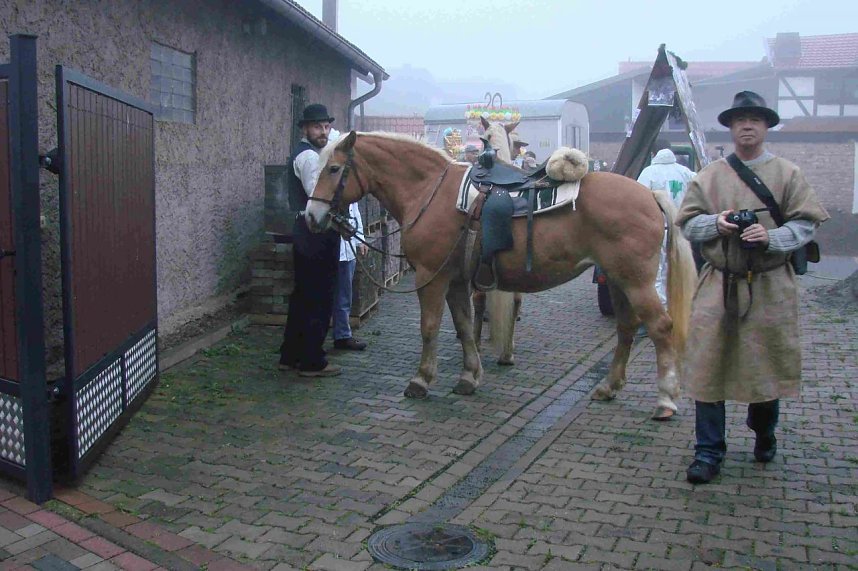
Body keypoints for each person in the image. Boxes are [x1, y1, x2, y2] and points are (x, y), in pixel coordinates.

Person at [676, 91, 829, 484]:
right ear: (729, 127)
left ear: (765, 126)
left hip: (770, 284)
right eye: (740, 119)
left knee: (765, 362)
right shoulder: (709, 175)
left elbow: (806, 223)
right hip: (718, 284)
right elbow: (688, 223)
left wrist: (772, 236)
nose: (747, 125)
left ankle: (764, 432)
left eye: (755, 119)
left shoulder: (788, 173)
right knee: (708, 363)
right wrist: (717, 223)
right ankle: (708, 451)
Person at [279, 103, 342, 377]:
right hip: (314, 231)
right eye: (318, 126)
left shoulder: (313, 154)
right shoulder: (309, 158)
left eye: (327, 126)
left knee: (303, 295)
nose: (323, 131)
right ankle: (312, 361)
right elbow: (319, 196)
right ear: (305, 128)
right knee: (318, 294)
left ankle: (290, 355)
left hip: (306, 230)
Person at [637, 139, 696, 307]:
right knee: (679, 269)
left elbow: (639, 201)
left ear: (653, 153)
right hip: (681, 228)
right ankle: (680, 306)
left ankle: (661, 310)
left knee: (657, 271)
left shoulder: (649, 173)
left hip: (658, 229)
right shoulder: (685, 172)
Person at [332, 172, 369, 351]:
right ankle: (341, 335)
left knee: (344, 296)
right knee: (338, 297)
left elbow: (356, 218)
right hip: (335, 253)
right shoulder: (331, 193)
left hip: (349, 253)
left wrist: (361, 240)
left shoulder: (350, 195)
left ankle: (342, 335)